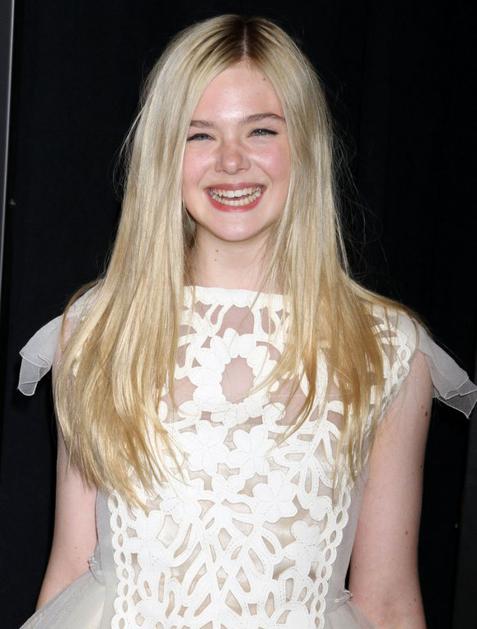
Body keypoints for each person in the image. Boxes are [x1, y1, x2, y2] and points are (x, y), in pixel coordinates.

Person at [17, 14, 477, 629]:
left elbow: (389, 598)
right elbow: (71, 566)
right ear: (165, 154)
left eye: (260, 130)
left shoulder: (385, 349)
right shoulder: (98, 331)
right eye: (199, 135)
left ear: (304, 145)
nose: (231, 162)